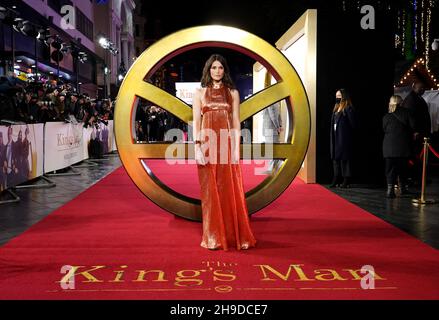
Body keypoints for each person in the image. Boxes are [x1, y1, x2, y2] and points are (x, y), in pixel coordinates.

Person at [192, 54, 256, 251]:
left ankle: (230, 236)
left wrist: (237, 148)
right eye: (213, 68)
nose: (217, 71)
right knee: (211, 192)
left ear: (224, 70)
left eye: (220, 67)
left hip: (227, 146)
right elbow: (196, 121)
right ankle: (213, 237)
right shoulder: (199, 92)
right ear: (208, 70)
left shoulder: (233, 93)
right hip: (207, 145)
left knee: (230, 191)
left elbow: (236, 122)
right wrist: (197, 147)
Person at [383, 95, 415, 198]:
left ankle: (390, 191)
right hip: (402, 146)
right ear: (401, 102)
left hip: (388, 147)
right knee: (402, 169)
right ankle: (403, 189)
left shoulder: (386, 116)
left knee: (390, 169)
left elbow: (384, 129)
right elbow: (413, 126)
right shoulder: (407, 112)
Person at [401, 81, 431, 184]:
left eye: (423, 88)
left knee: (419, 157)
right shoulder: (411, 99)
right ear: (414, 87)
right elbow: (410, 117)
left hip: (421, 133)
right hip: (415, 134)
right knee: (415, 156)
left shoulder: (418, 98)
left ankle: (419, 177)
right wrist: (414, 131)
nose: (422, 90)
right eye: (420, 87)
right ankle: (415, 178)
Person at [329, 88, 356, 188]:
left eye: (339, 96)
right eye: (336, 96)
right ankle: (336, 178)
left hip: (344, 138)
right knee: (335, 159)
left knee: (345, 160)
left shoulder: (348, 108)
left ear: (344, 97)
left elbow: (353, 124)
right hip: (335, 137)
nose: (337, 98)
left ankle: (346, 179)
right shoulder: (335, 108)